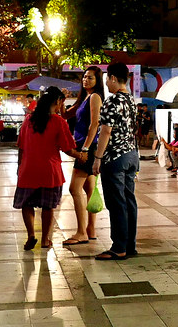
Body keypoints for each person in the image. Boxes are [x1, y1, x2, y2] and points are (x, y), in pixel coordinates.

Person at [14, 86, 82, 251]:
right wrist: (81, 156)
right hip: (50, 172)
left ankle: (31, 234)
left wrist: (19, 167)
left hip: (28, 169)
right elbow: (67, 148)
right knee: (47, 206)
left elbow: (21, 147)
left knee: (27, 204)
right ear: (58, 102)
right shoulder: (58, 121)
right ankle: (45, 239)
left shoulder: (28, 120)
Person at [92, 62, 139, 261]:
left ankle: (118, 246)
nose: (107, 84)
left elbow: (106, 131)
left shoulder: (112, 101)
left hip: (115, 157)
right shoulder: (131, 100)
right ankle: (129, 245)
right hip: (131, 155)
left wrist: (97, 158)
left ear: (112, 78)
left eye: (107, 80)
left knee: (116, 203)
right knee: (129, 201)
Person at [62, 67, 105, 245]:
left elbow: (94, 124)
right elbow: (64, 115)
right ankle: (90, 229)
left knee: (74, 189)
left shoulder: (95, 97)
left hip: (89, 146)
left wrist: (85, 149)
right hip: (84, 145)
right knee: (89, 189)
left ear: (97, 81)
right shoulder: (84, 99)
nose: (86, 80)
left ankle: (81, 232)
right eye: (84, 77)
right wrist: (62, 99)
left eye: (90, 78)